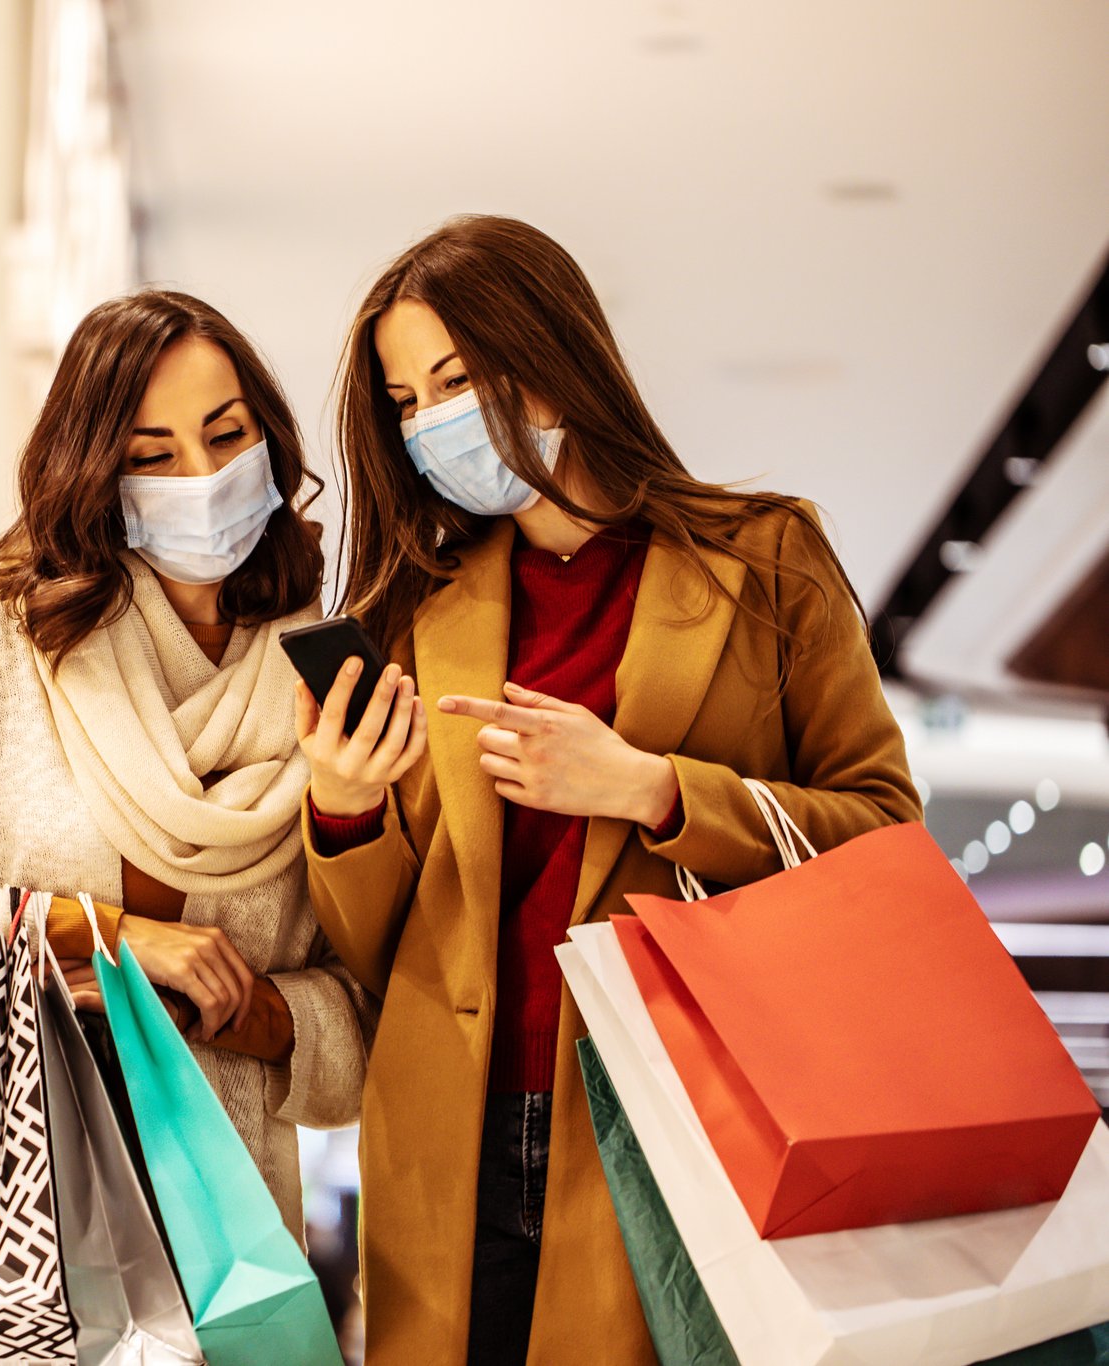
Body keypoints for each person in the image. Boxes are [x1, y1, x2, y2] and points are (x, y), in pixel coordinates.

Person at [297, 216, 919, 1364]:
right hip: (452, 1136)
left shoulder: (766, 557)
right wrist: (342, 811)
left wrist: (653, 790)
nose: (431, 419)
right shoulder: (417, 608)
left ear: (549, 352)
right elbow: (383, 948)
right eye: (404, 399)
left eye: (455, 378)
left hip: (679, 1118)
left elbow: (884, 834)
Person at [0, 289, 373, 1226]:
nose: (202, 476)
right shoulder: (7, 650)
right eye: (153, 458)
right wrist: (110, 937)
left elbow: (373, 1020)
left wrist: (244, 1013)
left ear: (269, 440)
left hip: (223, 1243)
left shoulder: (326, 687)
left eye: (227, 436)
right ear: (99, 479)